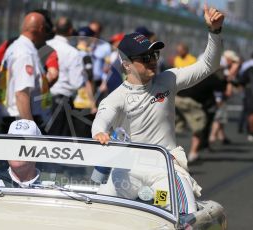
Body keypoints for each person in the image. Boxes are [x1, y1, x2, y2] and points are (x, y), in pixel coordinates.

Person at [92, 5, 224, 214]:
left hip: (165, 168)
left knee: (184, 214)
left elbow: (208, 65)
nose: (152, 60)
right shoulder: (115, 97)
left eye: (155, 54)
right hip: (129, 170)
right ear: (126, 64)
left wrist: (215, 32)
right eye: (145, 58)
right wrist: (100, 133)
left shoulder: (168, 79)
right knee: (98, 211)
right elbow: (101, 121)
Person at [0, 12, 47, 133]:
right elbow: (21, 93)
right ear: (41, 29)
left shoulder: (14, 47)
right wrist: (31, 131)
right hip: (21, 122)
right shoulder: (24, 52)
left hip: (14, 119)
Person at [45, 17, 86, 136]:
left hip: (41, 98)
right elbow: (76, 83)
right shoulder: (73, 52)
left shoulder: (44, 45)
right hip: (61, 102)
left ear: (55, 29)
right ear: (70, 30)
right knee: (58, 139)